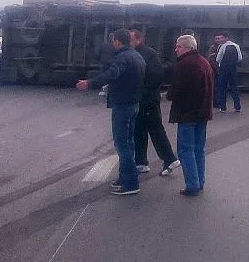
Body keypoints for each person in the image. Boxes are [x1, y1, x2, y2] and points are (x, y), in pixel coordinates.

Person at [76, 28, 146, 195]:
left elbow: (111, 74)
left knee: (121, 143)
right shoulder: (137, 55)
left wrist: (90, 83)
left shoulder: (122, 58)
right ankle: (124, 177)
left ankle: (130, 183)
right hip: (134, 102)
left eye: (113, 41)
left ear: (117, 41)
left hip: (123, 104)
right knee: (129, 143)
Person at [167, 34, 214, 196]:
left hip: (187, 113)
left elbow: (178, 89)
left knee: (186, 150)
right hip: (203, 113)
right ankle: (200, 181)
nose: (176, 49)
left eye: (179, 46)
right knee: (199, 149)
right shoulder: (204, 62)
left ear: (188, 48)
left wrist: (169, 94)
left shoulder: (185, 65)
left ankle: (192, 185)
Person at [129, 29, 180, 176]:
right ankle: (141, 162)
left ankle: (170, 158)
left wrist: (143, 90)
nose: (128, 42)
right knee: (139, 130)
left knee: (155, 129)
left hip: (148, 100)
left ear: (138, 40)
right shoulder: (141, 53)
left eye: (130, 39)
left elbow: (157, 75)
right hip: (144, 98)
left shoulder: (147, 54)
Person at [213, 31, 242, 112]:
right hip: (233, 69)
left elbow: (218, 59)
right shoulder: (236, 46)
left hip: (223, 69)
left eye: (222, 38)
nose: (221, 39)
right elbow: (240, 58)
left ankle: (222, 107)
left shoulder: (222, 46)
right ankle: (237, 106)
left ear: (226, 38)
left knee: (222, 88)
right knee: (234, 88)